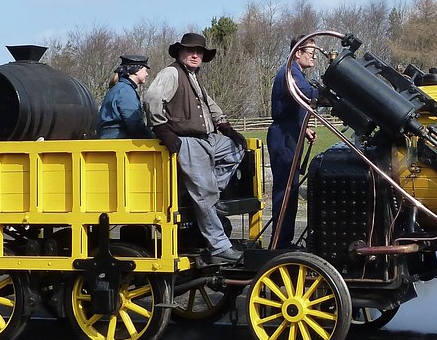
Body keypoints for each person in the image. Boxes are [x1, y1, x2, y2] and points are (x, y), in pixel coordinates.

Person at [145, 32, 248, 264]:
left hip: (207, 139)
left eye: (199, 52)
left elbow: (209, 104)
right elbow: (152, 98)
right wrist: (162, 130)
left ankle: (210, 196)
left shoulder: (194, 77)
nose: (195, 55)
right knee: (205, 193)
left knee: (237, 149)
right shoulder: (172, 73)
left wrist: (226, 127)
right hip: (188, 141)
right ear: (180, 53)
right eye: (190, 51)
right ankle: (219, 247)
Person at [267, 36, 319, 248]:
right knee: (286, 191)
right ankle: (280, 244)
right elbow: (307, 93)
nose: (314, 57)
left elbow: (290, 107)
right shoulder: (290, 74)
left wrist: (303, 129)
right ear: (298, 53)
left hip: (290, 134)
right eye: (311, 53)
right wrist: (328, 91)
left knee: (291, 191)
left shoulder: (295, 73)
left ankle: (283, 241)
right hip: (284, 138)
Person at [96, 55, 154, 139]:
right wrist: (151, 137)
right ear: (137, 70)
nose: (147, 74)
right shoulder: (126, 91)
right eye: (145, 70)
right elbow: (134, 123)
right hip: (118, 139)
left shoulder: (120, 88)